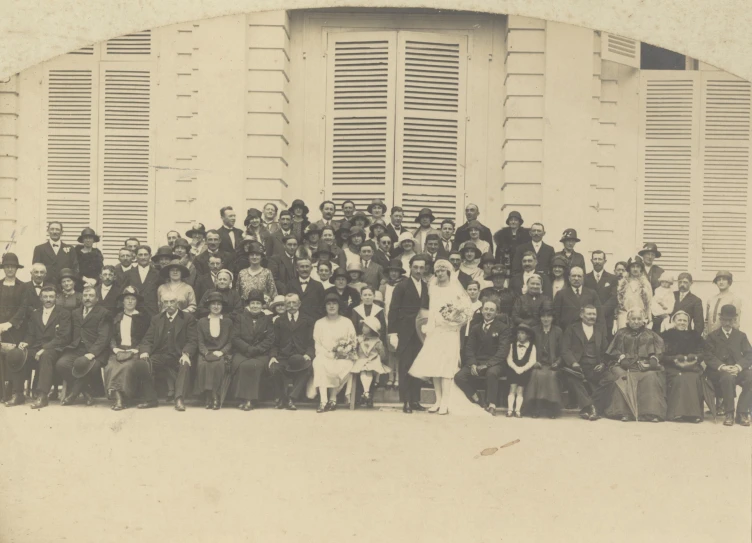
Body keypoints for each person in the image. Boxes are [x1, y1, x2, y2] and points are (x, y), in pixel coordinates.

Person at [409, 259, 471, 415]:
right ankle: (437, 400)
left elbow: (465, 311)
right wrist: (429, 326)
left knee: (446, 368)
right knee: (434, 366)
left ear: (448, 272)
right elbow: (432, 310)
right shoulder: (433, 288)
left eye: (443, 270)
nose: (440, 273)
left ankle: (446, 402)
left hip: (450, 333)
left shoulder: (455, 289)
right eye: (437, 271)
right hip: (436, 332)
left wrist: (455, 321)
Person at [138, 291, 198, 411]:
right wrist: (145, 351)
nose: (169, 304)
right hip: (160, 355)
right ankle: (151, 399)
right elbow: (147, 339)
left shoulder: (187, 318)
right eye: (166, 302)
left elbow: (192, 340)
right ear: (162, 304)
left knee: (185, 364)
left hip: (178, 355)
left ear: (177, 303)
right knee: (142, 363)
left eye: (172, 301)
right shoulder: (156, 319)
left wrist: (186, 353)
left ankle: (179, 399)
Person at [604, 308, 667, 422]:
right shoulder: (621, 333)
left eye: (639, 319)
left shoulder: (650, 334)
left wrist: (653, 360)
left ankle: (650, 413)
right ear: (628, 320)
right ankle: (624, 412)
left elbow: (659, 350)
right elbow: (612, 351)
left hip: (643, 365)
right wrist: (621, 358)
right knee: (622, 376)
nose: (636, 321)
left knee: (651, 376)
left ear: (644, 320)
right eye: (633, 319)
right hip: (624, 365)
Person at [14, 286, 72, 409]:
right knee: (19, 354)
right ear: (41, 298)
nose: (48, 299)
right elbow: (31, 334)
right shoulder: (36, 313)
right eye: (45, 296)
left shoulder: (64, 313)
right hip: (36, 347)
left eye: (51, 296)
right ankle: (18, 393)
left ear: (56, 298)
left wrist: (45, 348)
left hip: (56, 349)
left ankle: (42, 395)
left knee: (45, 355)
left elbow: (64, 337)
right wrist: (25, 342)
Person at [454, 297, 511, 415]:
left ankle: (492, 404)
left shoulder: (503, 328)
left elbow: (502, 351)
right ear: (482, 311)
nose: (488, 312)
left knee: (492, 373)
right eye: (486, 309)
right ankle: (477, 398)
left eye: (491, 310)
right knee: (459, 377)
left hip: (495, 363)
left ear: (496, 313)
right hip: (477, 362)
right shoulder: (475, 328)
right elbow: (469, 348)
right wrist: (473, 364)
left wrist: (487, 365)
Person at [388, 255, 430, 414]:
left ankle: (415, 400)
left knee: (418, 366)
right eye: (416, 267)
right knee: (405, 366)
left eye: (421, 268)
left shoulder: (427, 286)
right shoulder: (402, 286)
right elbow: (393, 310)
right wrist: (393, 332)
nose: (419, 271)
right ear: (411, 268)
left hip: (421, 333)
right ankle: (405, 401)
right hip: (405, 332)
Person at [56, 286, 111, 406]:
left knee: (89, 366)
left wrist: (92, 353)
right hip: (77, 348)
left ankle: (73, 394)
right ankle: (86, 392)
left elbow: (104, 337)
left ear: (97, 298)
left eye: (91, 296)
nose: (88, 298)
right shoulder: (75, 312)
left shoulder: (104, 313)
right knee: (61, 364)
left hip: (97, 351)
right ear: (82, 298)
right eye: (85, 296)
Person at [103, 286, 152, 411]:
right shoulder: (117, 317)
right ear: (123, 301)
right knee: (111, 366)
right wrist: (115, 349)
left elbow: (147, 337)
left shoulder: (143, 318)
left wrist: (136, 350)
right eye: (127, 299)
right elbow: (111, 336)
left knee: (126, 367)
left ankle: (123, 397)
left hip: (134, 351)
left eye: (133, 299)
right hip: (118, 350)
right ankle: (118, 397)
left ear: (136, 302)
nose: (130, 301)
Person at [703, 304, 752, 427]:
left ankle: (742, 412)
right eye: (724, 320)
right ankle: (729, 412)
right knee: (727, 377)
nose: (727, 323)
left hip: (737, 369)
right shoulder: (712, 336)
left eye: (730, 320)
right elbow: (708, 356)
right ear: (720, 319)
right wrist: (722, 366)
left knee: (750, 377)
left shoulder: (741, 336)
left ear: (734, 320)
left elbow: (749, 355)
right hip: (718, 372)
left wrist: (738, 367)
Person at [311, 293, 358, 413]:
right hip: (325, 355)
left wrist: (344, 351)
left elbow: (353, 341)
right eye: (328, 304)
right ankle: (323, 401)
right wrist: (328, 354)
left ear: (339, 306)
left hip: (343, 356)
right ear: (325, 306)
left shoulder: (346, 322)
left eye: (334, 303)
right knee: (319, 363)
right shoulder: (319, 323)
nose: (331, 306)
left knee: (345, 366)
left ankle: (333, 398)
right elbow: (317, 344)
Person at [560, 305, 606, 421]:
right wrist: (573, 363)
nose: (592, 317)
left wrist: (603, 364)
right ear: (581, 315)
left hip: (595, 366)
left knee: (610, 379)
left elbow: (606, 350)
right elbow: (565, 349)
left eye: (594, 314)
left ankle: (587, 409)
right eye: (589, 314)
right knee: (572, 379)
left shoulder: (600, 329)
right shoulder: (572, 328)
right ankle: (590, 407)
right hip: (578, 366)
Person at [268, 293, 314, 410]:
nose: (291, 305)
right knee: (274, 368)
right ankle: (280, 397)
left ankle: (291, 398)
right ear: (285, 305)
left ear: (299, 304)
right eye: (288, 303)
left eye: (294, 303)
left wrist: (308, 354)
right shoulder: (279, 321)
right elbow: (275, 342)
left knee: (308, 368)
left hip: (300, 356)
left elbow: (311, 341)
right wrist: (273, 356)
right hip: (283, 356)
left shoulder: (307, 320)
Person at [230, 290, 274, 411]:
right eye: (252, 303)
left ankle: (250, 400)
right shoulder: (240, 318)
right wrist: (247, 348)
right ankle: (241, 398)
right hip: (243, 351)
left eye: (258, 303)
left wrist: (257, 349)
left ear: (262, 305)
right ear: (248, 305)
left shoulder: (267, 319)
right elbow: (235, 337)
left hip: (260, 353)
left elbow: (270, 338)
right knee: (242, 365)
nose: (255, 306)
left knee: (254, 366)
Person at [660, 311, 706, 423]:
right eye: (679, 320)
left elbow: (702, 352)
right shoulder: (666, 335)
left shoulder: (695, 335)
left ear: (688, 322)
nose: (682, 323)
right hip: (672, 367)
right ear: (674, 321)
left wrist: (694, 357)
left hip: (691, 366)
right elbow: (662, 356)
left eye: (685, 321)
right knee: (679, 378)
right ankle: (677, 413)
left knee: (693, 378)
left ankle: (694, 414)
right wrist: (674, 358)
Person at [195, 292, 234, 410]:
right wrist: (206, 353)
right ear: (209, 306)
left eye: (219, 304)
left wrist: (221, 352)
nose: (216, 307)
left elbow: (231, 342)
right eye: (213, 304)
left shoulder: (228, 322)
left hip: (221, 352)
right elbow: (200, 342)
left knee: (218, 364)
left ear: (222, 307)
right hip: (205, 352)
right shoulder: (202, 322)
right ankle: (207, 396)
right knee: (203, 365)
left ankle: (215, 396)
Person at [526, 301, 564, 418]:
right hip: (538, 364)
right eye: (543, 316)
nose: (546, 319)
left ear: (553, 317)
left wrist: (557, 363)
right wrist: (533, 362)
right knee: (536, 374)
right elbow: (528, 349)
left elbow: (563, 352)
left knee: (551, 376)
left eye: (549, 316)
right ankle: (536, 407)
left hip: (552, 364)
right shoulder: (534, 330)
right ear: (540, 317)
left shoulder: (558, 331)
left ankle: (552, 408)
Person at [350, 315, 389, 408]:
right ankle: (366, 393)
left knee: (368, 369)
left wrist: (380, 350)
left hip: (373, 360)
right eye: (363, 326)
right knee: (364, 368)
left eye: (367, 327)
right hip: (361, 360)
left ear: (372, 329)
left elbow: (383, 355)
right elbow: (354, 350)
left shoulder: (377, 341)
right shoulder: (358, 339)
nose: (364, 328)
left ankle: (366, 393)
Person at [380, 259, 406, 388]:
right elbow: (381, 303)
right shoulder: (384, 286)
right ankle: (390, 377)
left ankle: (399, 378)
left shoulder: (404, 284)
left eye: (396, 271)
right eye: (392, 271)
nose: (394, 274)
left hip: (400, 320)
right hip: (387, 319)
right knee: (391, 350)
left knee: (399, 349)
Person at [553, 267, 602, 331]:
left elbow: (600, 316)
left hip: (587, 333)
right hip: (567, 333)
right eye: (573, 276)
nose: (576, 278)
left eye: (579, 276)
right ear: (569, 278)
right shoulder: (561, 294)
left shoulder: (592, 294)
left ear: (583, 278)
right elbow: (556, 317)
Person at [584, 250, 618, 338]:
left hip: (606, 319)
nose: (597, 261)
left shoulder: (612, 278)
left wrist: (600, 312)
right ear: (591, 261)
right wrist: (591, 313)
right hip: (589, 318)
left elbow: (614, 298)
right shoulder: (585, 278)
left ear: (605, 261)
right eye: (595, 259)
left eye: (600, 259)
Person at [505, 324, 537, 418]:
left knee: (520, 390)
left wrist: (522, 369)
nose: (520, 335)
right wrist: (516, 368)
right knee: (512, 388)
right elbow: (509, 359)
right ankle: (510, 410)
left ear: (528, 335)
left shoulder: (532, 346)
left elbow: (532, 361)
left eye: (522, 333)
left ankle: (517, 410)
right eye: (518, 333)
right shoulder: (512, 345)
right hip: (513, 370)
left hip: (524, 371)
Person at [122, 245, 160, 317]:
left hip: (152, 314)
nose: (143, 257)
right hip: (133, 314)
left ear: (150, 256)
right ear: (136, 256)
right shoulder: (128, 274)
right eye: (140, 255)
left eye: (145, 255)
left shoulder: (158, 274)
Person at [616, 256, 652, 329]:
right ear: (629, 269)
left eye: (637, 266)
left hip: (639, 316)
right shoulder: (623, 283)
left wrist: (650, 320)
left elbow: (649, 303)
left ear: (641, 268)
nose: (635, 269)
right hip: (625, 315)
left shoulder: (645, 283)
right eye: (633, 267)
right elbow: (618, 302)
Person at [493, 211, 530, 279]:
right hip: (507, 265)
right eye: (511, 220)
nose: (513, 222)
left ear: (519, 222)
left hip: (521, 265)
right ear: (508, 222)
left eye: (515, 220)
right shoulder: (502, 235)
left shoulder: (526, 235)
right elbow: (498, 254)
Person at [704, 270, 742, 336]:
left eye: (724, 279)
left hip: (725, 338)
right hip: (711, 338)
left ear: (729, 282)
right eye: (719, 280)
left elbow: (735, 322)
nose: (721, 282)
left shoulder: (734, 299)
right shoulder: (711, 299)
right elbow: (707, 320)